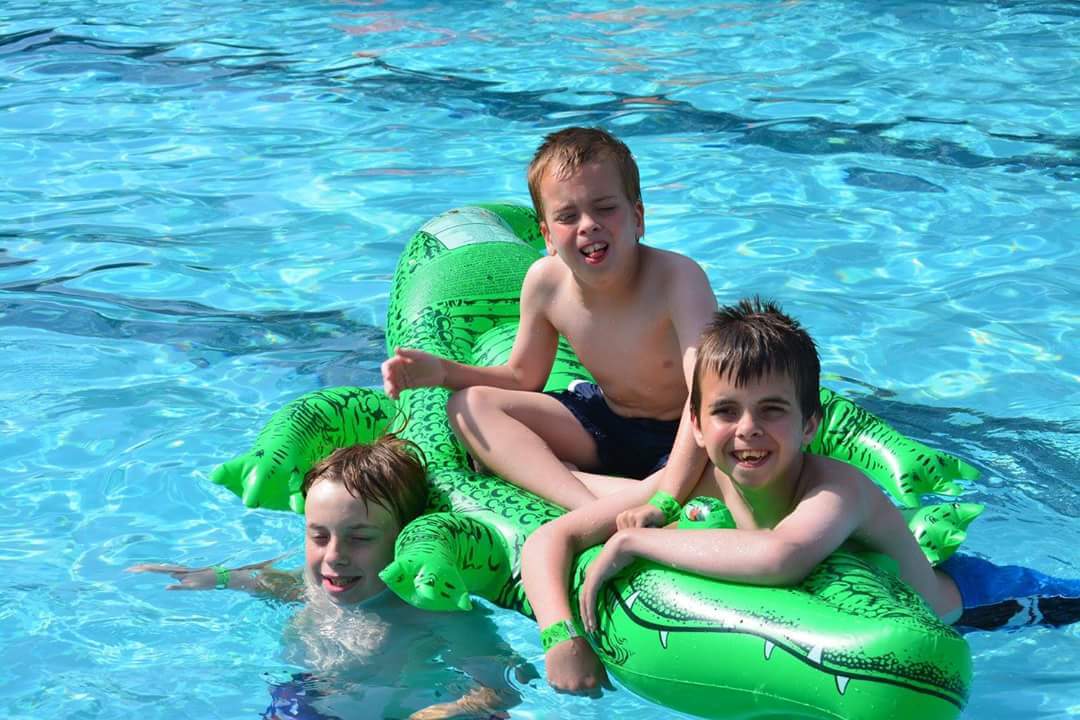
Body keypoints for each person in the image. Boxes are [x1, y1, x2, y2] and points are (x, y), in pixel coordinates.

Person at [520, 297, 1080, 694]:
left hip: (983, 607)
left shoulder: (837, 488)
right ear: (693, 423)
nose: (747, 429)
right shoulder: (695, 479)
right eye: (725, 410)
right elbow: (553, 537)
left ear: (810, 424)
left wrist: (633, 547)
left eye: (773, 410)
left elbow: (780, 558)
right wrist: (560, 637)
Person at [381, 126, 717, 512]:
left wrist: (668, 495)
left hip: (683, 431)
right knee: (467, 407)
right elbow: (523, 378)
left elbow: (706, 391)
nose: (588, 224)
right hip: (607, 422)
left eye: (605, 208)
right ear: (548, 237)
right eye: (568, 216)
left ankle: (594, 486)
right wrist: (442, 372)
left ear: (638, 217)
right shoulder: (546, 283)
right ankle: (583, 504)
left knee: (726, 473)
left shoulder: (678, 280)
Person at [129, 435, 526, 720]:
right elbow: (278, 585)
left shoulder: (438, 612)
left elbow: (505, 683)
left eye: (360, 538)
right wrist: (217, 577)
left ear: (405, 538)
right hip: (313, 697)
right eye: (319, 536)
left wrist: (451, 710)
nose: (334, 557)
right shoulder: (318, 585)